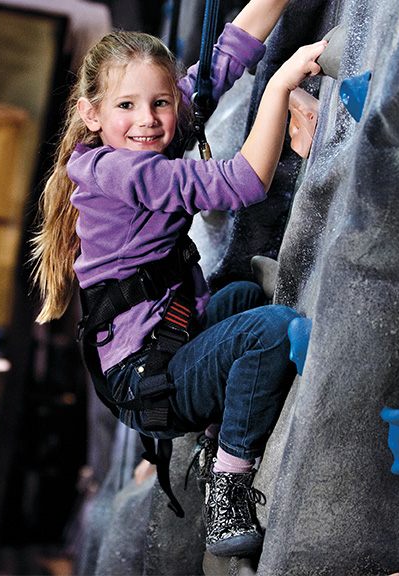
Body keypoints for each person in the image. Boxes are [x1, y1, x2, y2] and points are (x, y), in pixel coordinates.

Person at [30, 0, 326, 558]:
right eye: (127, 105)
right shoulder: (121, 171)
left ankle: (219, 433)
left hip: (167, 338)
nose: (148, 119)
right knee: (270, 329)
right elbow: (244, 182)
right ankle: (227, 490)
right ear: (91, 113)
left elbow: (229, 52)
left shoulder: (141, 134)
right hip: (144, 378)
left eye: (160, 103)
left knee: (239, 294)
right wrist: (283, 84)